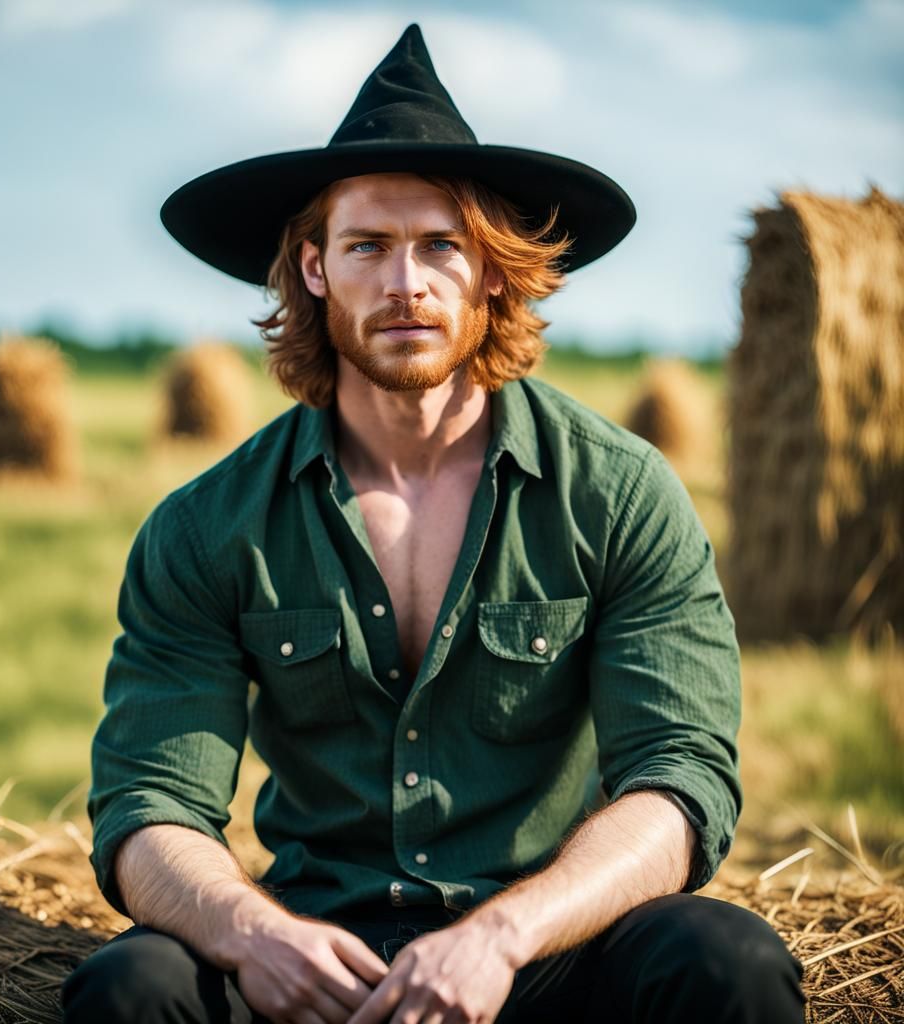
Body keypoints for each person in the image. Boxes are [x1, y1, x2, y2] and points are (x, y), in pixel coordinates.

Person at [62, 24, 805, 1024]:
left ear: (491, 269)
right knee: (130, 988)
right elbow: (147, 804)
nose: (405, 283)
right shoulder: (205, 528)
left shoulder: (620, 493)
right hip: (310, 960)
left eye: (441, 246)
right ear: (315, 268)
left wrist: (501, 936)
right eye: (367, 245)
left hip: (547, 953)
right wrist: (253, 934)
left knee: (728, 961)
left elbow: (681, 778)